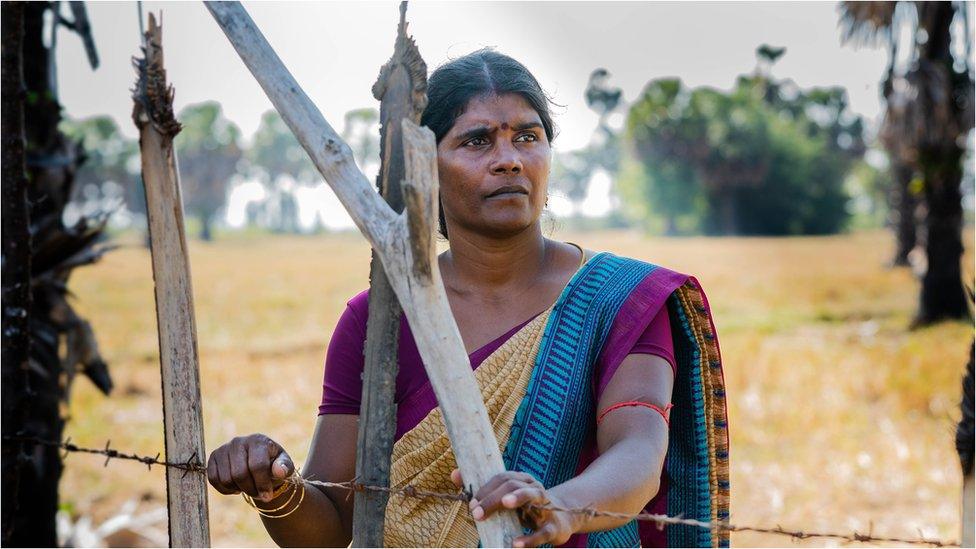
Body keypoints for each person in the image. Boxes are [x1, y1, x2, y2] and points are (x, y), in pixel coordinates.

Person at [206, 49, 730, 548]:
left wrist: (560, 506)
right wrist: (274, 486)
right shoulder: (378, 323)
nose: (509, 161)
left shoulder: (618, 300)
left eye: (528, 136)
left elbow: (638, 449)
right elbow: (332, 523)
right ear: (425, 166)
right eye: (477, 141)